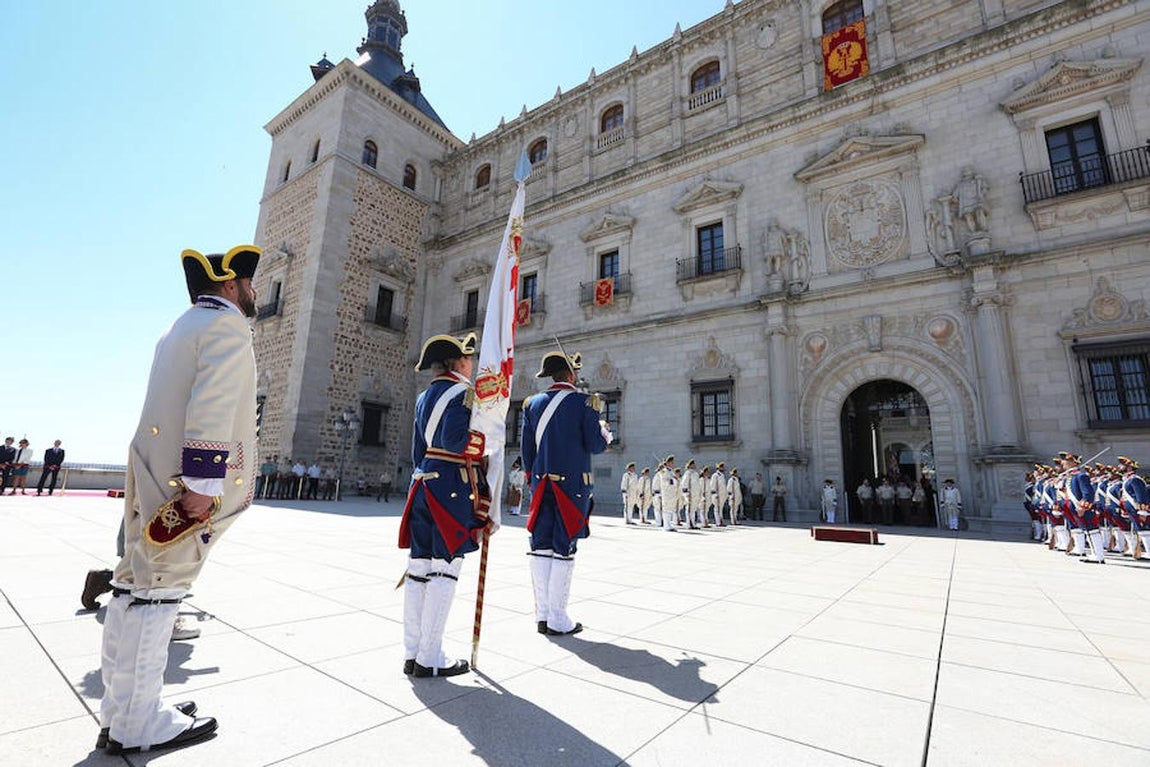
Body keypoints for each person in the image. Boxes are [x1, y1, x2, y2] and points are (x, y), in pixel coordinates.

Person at [95, 244, 261, 755]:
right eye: (249, 283)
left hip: (154, 470)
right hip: (183, 485)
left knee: (132, 585)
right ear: (231, 285)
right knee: (159, 592)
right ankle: (141, 723)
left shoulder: (181, 326)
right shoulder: (227, 325)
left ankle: (122, 711)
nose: (254, 292)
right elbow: (212, 402)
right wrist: (202, 486)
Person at [398, 332, 489, 678]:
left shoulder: (424, 396)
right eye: (470, 359)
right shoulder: (463, 394)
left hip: (421, 484)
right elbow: (455, 442)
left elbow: (417, 449)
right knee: (444, 569)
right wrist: (483, 446)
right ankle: (431, 655)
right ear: (460, 362)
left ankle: (413, 651)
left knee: (418, 570)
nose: (473, 365)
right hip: (449, 487)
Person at [521, 351, 611, 636]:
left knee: (541, 546)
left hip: (541, 483)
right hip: (571, 486)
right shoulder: (585, 402)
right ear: (571, 375)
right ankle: (558, 617)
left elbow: (527, 451)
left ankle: (543, 614)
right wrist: (604, 432)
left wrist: (532, 479)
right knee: (564, 546)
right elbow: (595, 445)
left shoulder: (532, 404)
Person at [653, 454, 679, 531]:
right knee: (667, 509)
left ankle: (669, 524)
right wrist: (673, 480)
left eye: (673, 462)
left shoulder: (671, 471)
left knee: (670, 509)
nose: (673, 464)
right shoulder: (664, 471)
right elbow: (664, 481)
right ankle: (666, 526)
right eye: (671, 462)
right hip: (667, 493)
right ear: (667, 463)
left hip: (672, 493)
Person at [683, 459, 703, 529]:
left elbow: (697, 485)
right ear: (690, 465)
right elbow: (684, 483)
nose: (695, 465)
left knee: (693, 509)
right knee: (689, 509)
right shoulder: (688, 473)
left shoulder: (696, 473)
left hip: (695, 494)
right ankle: (689, 524)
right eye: (693, 464)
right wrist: (686, 494)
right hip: (690, 494)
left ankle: (693, 524)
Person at [709, 462, 728, 527]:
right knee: (717, 508)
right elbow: (713, 485)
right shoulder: (715, 475)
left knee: (720, 509)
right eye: (721, 467)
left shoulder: (722, 475)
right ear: (719, 467)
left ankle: (721, 521)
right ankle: (718, 522)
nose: (723, 468)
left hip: (722, 495)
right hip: (717, 495)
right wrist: (714, 494)